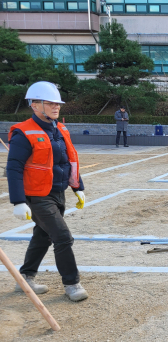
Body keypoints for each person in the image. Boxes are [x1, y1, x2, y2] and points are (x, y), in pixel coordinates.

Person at [7, 81, 88, 302]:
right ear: (34, 105)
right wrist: (18, 201)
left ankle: (25, 277)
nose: (56, 107)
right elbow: (13, 167)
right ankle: (72, 284)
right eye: (50, 103)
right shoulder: (24, 133)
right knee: (62, 237)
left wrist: (77, 187)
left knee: (42, 236)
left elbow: (68, 160)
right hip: (37, 196)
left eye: (58, 103)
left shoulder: (60, 129)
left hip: (57, 192)